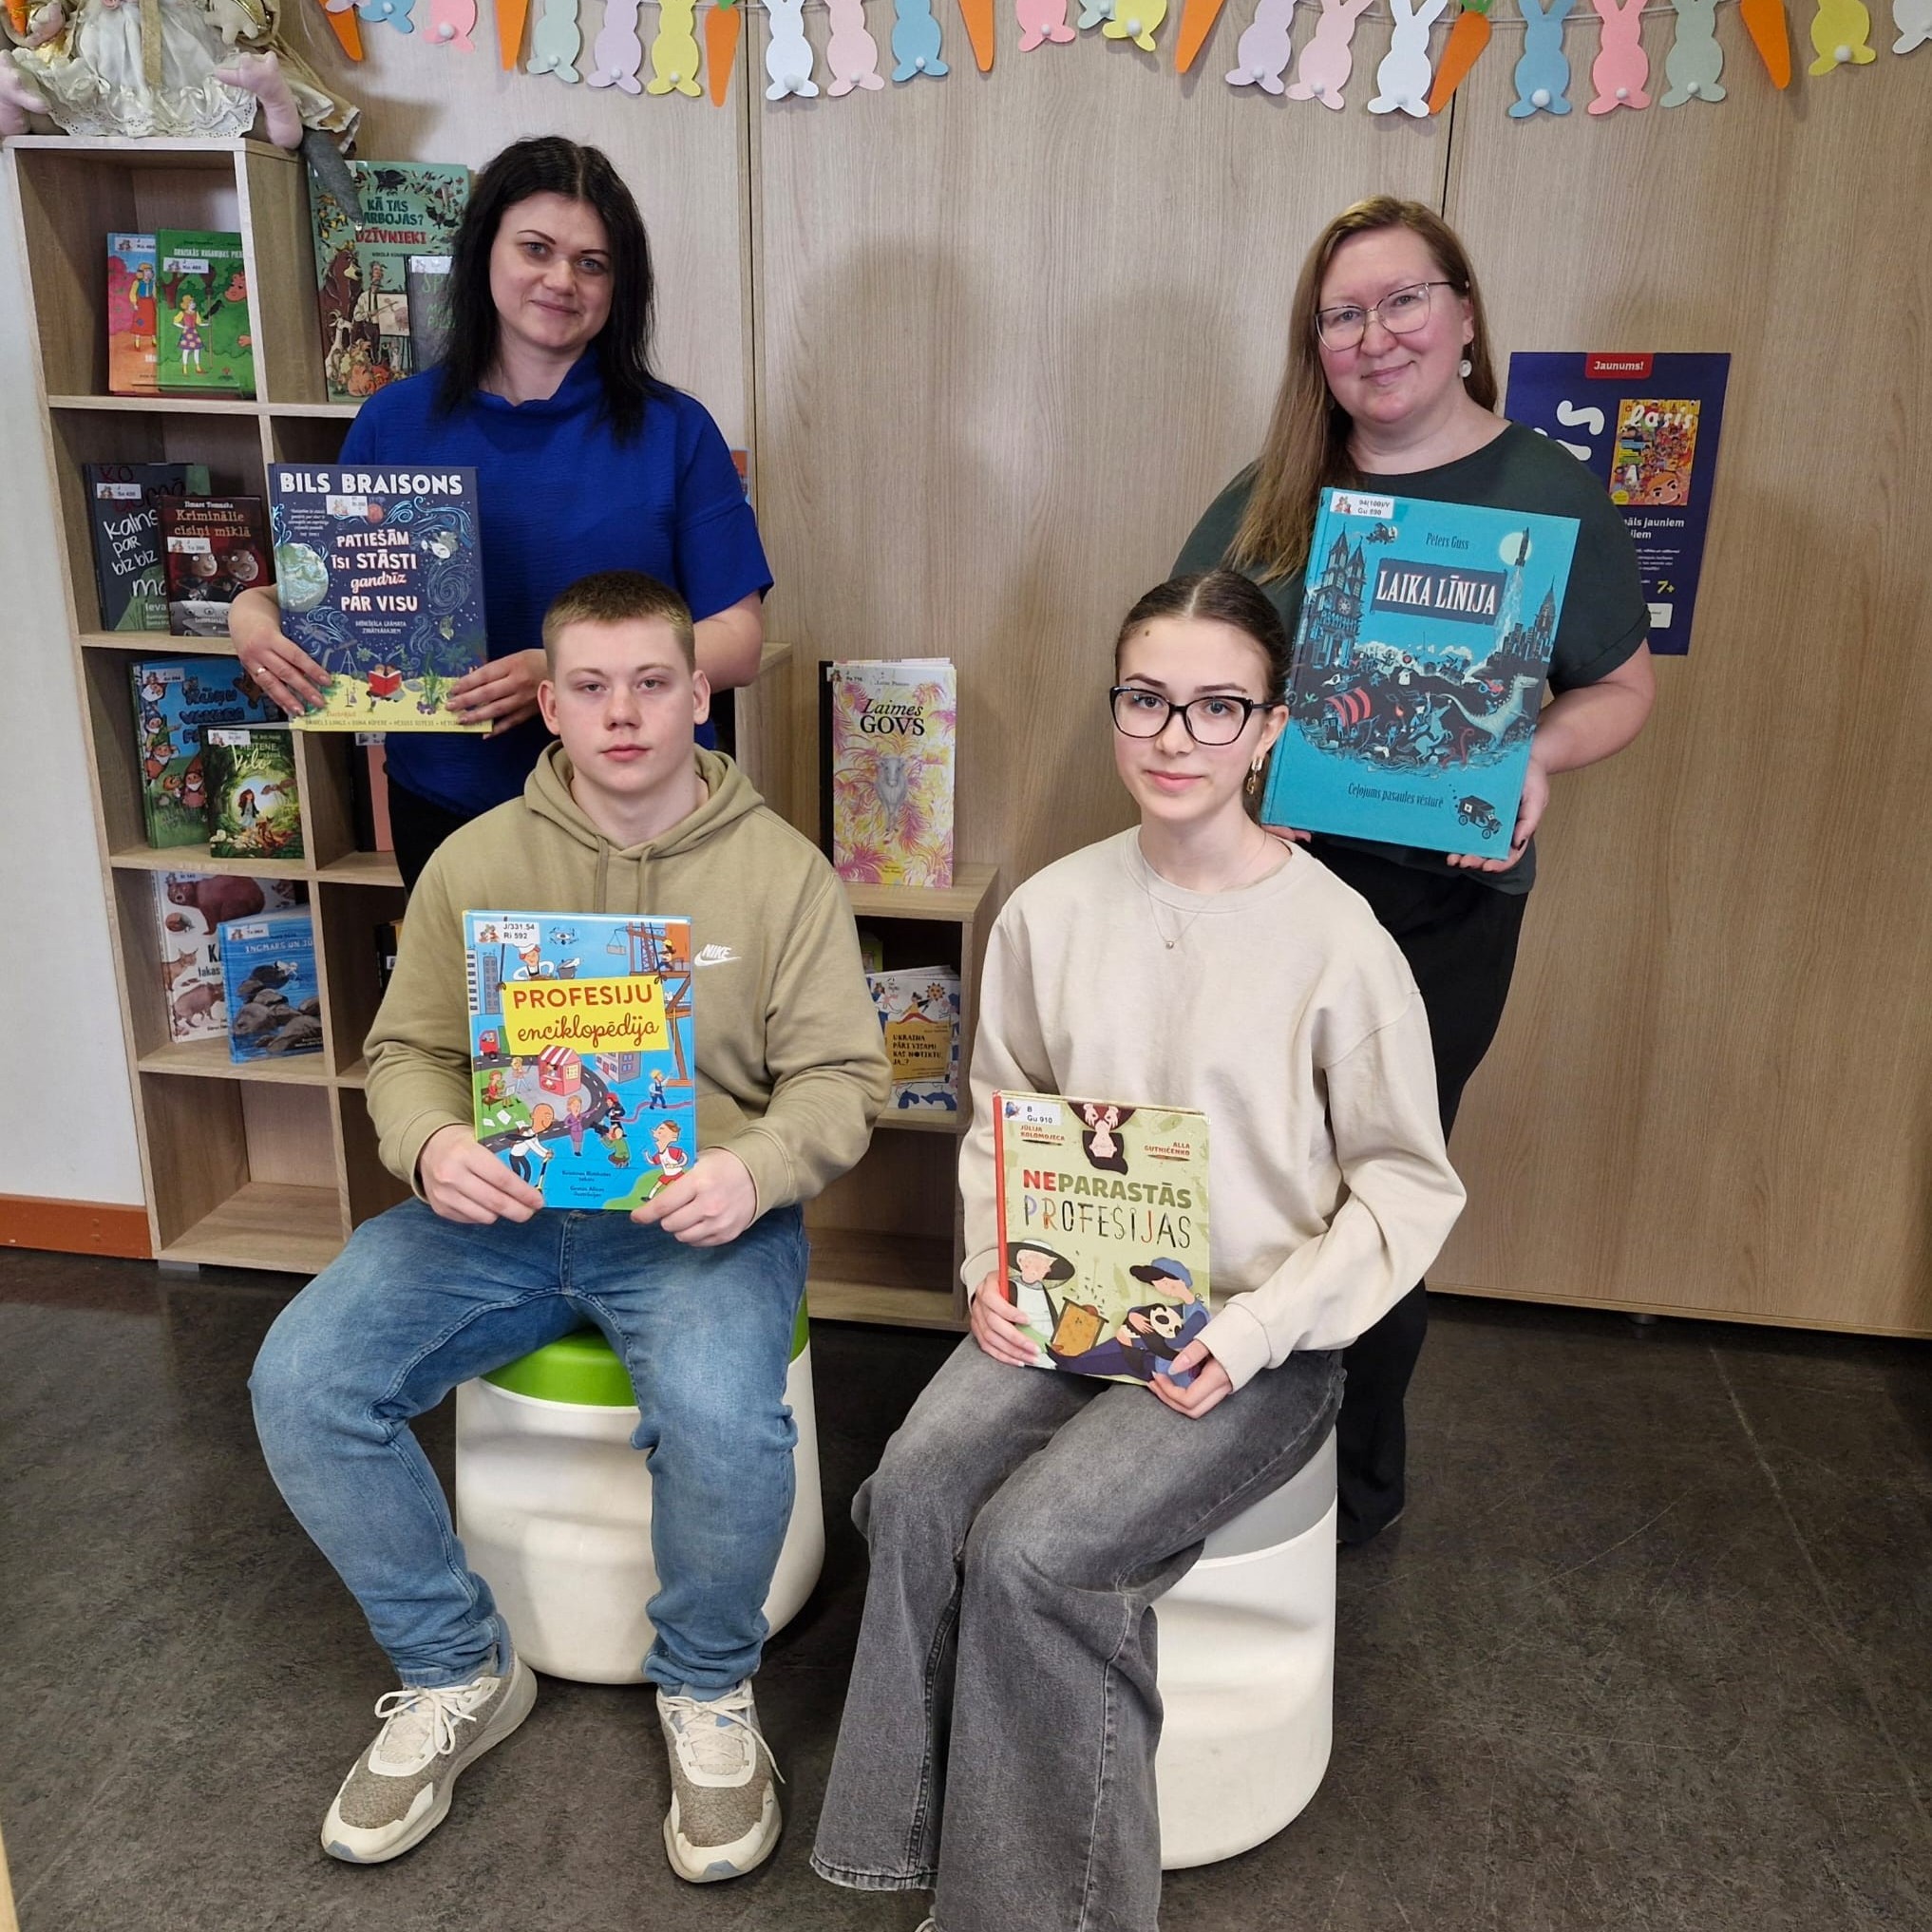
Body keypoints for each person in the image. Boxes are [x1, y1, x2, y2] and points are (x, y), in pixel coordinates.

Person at [811, 570, 1465, 1932]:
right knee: (916, 1487)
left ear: (1269, 729)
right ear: (1113, 709)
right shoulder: (1051, 912)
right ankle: (902, 1844)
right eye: (1147, 700)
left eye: (1217, 707)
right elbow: (1003, 1116)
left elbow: (1407, 1189)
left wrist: (1260, 1330)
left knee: (1037, 1550)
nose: (1176, 736)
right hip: (1065, 1301)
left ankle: (1041, 1917)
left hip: (1254, 1339)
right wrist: (991, 1271)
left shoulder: (1339, 944)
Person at [250, 571, 888, 1879]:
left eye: (651, 683)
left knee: (723, 1418)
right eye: (589, 686)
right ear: (548, 705)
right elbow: (408, 1051)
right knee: (301, 1379)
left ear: (698, 693)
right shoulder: (477, 862)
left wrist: (756, 1168)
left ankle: (706, 1687)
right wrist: (430, 1143)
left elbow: (842, 1078)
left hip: (695, 1219)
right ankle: (457, 1666)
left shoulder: (784, 874)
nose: (623, 714)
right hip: (504, 1209)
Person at [1175, 196, 1656, 1545]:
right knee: (1251, 1174)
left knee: (1378, 1193)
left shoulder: (1545, 492)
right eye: (1342, 314)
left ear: (1462, 316)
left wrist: (1537, 756)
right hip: (1271, 895)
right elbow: (1185, 658)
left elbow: (1624, 687)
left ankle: (1349, 1492)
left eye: (1402, 301)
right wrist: (1236, 766)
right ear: (1314, 343)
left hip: (1445, 905)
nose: (1373, 335)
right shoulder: (1273, 492)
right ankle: (1201, 1453)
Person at [229, 135, 770, 890]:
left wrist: (570, 672)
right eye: (536, 249)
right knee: (454, 976)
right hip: (448, 808)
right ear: (484, 249)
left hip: (639, 816)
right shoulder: (393, 422)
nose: (562, 280)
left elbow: (738, 642)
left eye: (592, 263)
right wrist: (252, 613)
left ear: (621, 285)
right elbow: (338, 592)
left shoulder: (675, 431)